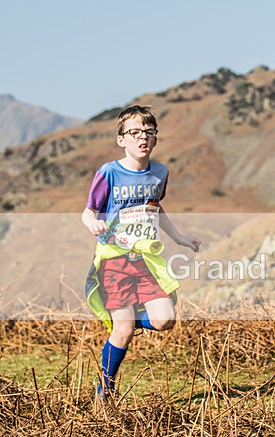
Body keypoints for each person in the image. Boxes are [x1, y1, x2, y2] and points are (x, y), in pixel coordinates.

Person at [82, 105, 201, 398]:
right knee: (121, 330)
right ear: (122, 139)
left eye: (148, 133)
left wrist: (179, 238)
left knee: (165, 320)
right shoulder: (108, 172)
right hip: (114, 260)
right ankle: (105, 390)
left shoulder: (160, 172)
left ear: (156, 139)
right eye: (134, 133)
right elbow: (88, 212)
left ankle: (130, 320)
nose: (142, 138)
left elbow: (155, 208)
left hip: (146, 259)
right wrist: (94, 224)